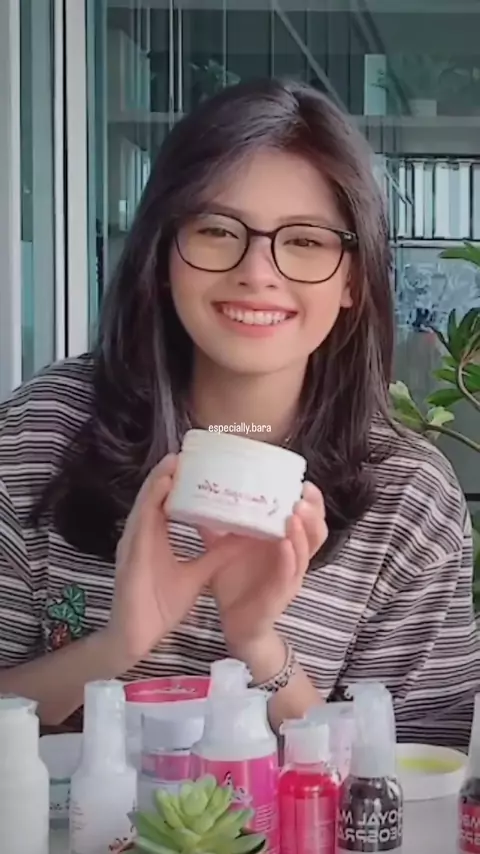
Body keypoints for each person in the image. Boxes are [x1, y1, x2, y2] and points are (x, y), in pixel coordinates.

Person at [0, 79, 478, 747]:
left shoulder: (407, 496)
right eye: (218, 231)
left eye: (305, 241)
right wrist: (118, 644)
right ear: (163, 255)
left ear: (353, 278)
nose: (258, 272)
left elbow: (420, 769)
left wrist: (260, 646)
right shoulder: (44, 430)